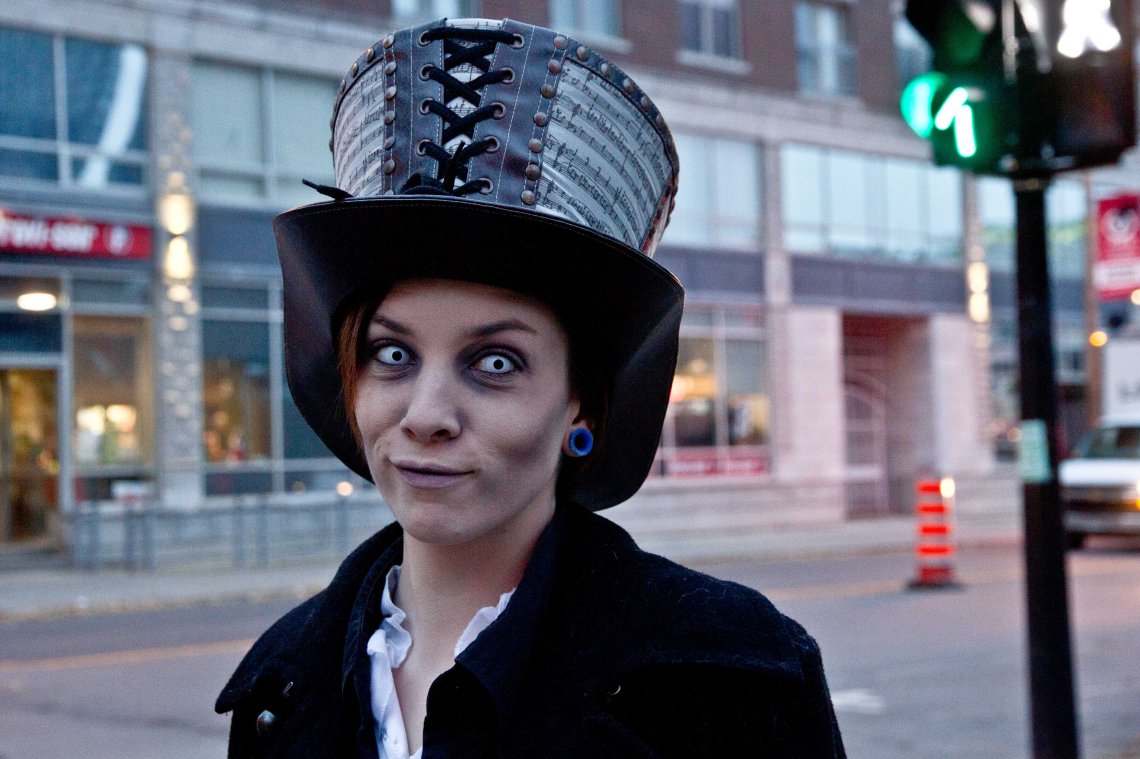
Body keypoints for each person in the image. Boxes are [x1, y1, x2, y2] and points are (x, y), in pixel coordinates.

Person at [216, 16, 845, 758]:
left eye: (495, 363)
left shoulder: (731, 682)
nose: (426, 415)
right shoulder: (280, 689)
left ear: (580, 400)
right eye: (392, 353)